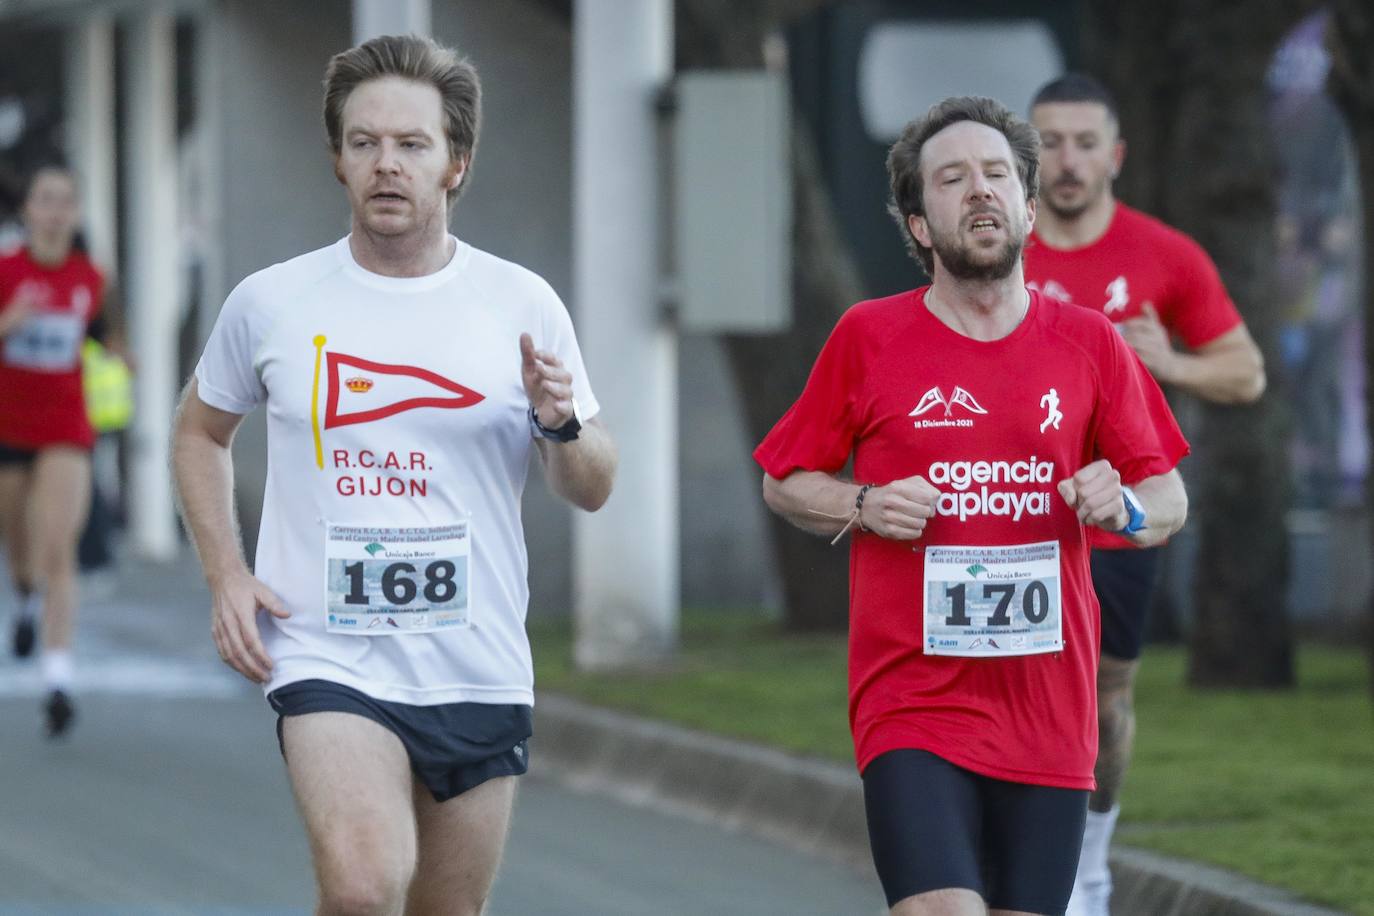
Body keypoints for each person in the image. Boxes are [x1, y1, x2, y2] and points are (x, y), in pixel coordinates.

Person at [171, 34, 616, 915]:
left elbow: (592, 484)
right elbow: (198, 432)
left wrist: (560, 421)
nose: (386, 164)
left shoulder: (520, 304)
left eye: (412, 144)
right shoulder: (272, 302)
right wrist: (227, 574)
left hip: (475, 660)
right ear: (337, 158)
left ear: (456, 163)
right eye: (365, 142)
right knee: (366, 885)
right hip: (325, 649)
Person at [755, 95, 1189, 916]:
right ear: (920, 225)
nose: (979, 191)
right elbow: (785, 476)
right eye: (952, 180)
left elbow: (1169, 496)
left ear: (1028, 207)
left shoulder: (1091, 342)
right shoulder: (869, 337)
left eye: (996, 175)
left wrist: (1125, 506)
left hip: (1051, 710)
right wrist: (864, 501)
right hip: (912, 702)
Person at [1024, 73, 1266, 916]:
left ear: (1115, 155)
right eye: (1049, 140)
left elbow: (1246, 370)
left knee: (1106, 693)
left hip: (1122, 521)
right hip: (1006, 515)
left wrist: (1171, 365)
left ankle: (1090, 859)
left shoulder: (1164, 255)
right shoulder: (998, 250)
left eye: (1085, 142)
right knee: (997, 690)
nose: (1066, 160)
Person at [0, 164, 108, 737]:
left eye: (66, 200)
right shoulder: (5, 271)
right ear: (28, 211)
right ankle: (22, 601)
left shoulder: (90, 277)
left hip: (66, 427)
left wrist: (120, 351)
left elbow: (105, 332)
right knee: (22, 555)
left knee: (57, 548)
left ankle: (58, 678)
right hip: (8, 431)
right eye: (46, 199)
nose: (56, 210)